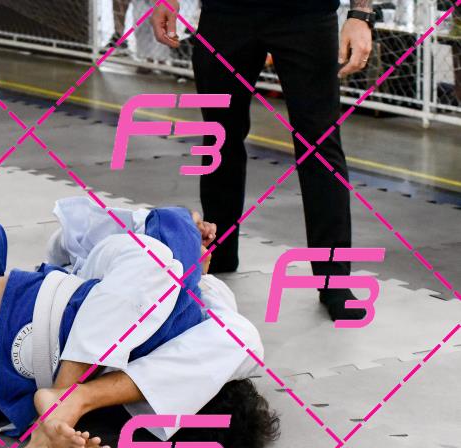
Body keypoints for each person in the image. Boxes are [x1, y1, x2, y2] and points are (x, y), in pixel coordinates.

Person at [0, 199, 279, 448]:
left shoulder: (174, 294)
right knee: (174, 280)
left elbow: (79, 238)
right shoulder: (122, 402)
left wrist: (191, 245)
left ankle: (62, 393)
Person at [151, 0, 377, 322]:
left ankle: (334, 281)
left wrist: (361, 15)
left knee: (320, 144)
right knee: (220, 135)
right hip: (225, 13)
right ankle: (219, 252)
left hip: (306, 15)